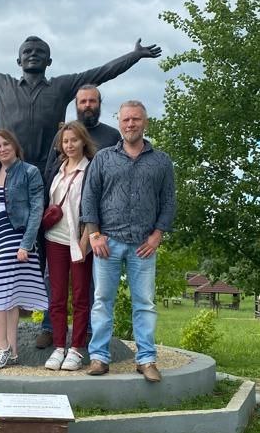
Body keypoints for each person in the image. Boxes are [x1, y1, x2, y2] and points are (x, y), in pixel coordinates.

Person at [0, 23, 161, 172]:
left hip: (49, 170)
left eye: (39, 52)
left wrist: (134, 55)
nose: (33, 55)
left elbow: (102, 72)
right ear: (18, 60)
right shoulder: (1, 84)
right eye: (27, 52)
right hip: (8, 169)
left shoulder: (62, 86)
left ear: (49, 61)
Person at [82, 100, 175, 382]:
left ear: (145, 122)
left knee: (144, 302)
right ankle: (99, 358)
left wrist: (157, 235)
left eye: (136, 119)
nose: (130, 124)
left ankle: (146, 360)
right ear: (119, 123)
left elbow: (168, 201)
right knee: (102, 300)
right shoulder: (103, 158)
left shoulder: (161, 161)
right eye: (126, 120)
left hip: (144, 245)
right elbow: (89, 197)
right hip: (107, 242)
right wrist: (94, 235)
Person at [36, 83, 122, 349]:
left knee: (90, 284)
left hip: (93, 228)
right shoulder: (62, 136)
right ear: (76, 105)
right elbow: (50, 174)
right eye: (83, 101)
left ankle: (88, 333)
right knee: (54, 282)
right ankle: (50, 328)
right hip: (58, 230)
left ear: (99, 103)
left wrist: (97, 228)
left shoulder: (111, 135)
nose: (87, 105)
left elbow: (113, 181)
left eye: (92, 101)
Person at [0, 129, 48, 369]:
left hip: (16, 236)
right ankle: (14, 352)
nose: (2, 149)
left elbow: (37, 209)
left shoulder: (29, 171)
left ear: (15, 146)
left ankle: (1, 347)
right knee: (9, 295)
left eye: (6, 144)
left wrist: (26, 243)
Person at [42, 122, 96, 371]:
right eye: (65, 141)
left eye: (74, 140)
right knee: (57, 296)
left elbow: (95, 206)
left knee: (81, 296)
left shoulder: (91, 169)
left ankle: (76, 348)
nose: (70, 145)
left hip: (79, 240)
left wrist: (86, 240)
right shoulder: (57, 168)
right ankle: (58, 347)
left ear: (83, 140)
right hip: (55, 239)